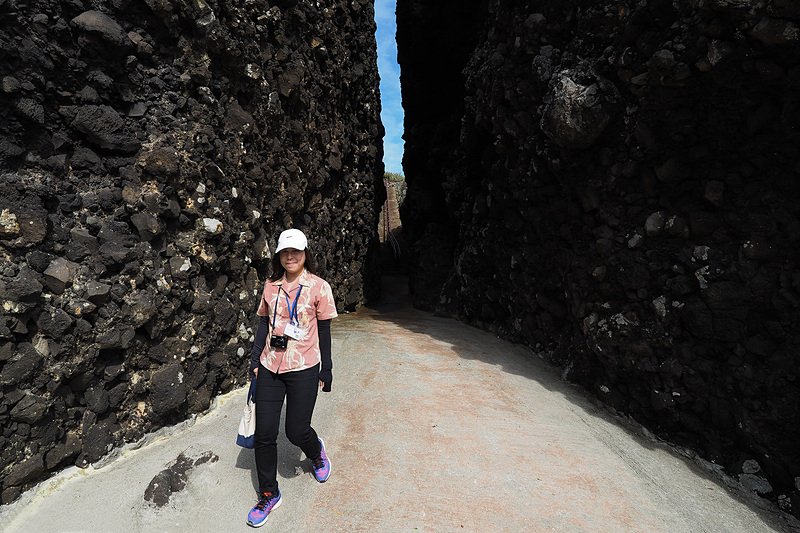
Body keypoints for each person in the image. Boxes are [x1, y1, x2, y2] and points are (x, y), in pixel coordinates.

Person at [245, 228, 338, 528]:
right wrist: (255, 359)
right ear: (278, 256)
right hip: (271, 366)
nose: (290, 256)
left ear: (305, 253)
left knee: (296, 431)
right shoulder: (270, 287)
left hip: (304, 367)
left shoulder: (319, 287)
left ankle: (317, 453)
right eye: (285, 252)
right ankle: (269, 494)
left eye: (296, 251)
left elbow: (323, 330)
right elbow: (263, 323)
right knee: (264, 433)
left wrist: (327, 368)